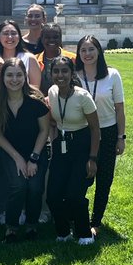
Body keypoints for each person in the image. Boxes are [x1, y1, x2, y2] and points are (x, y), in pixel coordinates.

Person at [0, 58, 50, 242]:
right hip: (11, 152)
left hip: (37, 150)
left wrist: (33, 158)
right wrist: (17, 158)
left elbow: (44, 131)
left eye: (18, 75)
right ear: (2, 77)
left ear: (25, 77)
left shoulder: (36, 100)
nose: (14, 79)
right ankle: (11, 228)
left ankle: (31, 225)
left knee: (35, 187)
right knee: (18, 185)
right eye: (9, 75)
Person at [75, 35, 126, 236]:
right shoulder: (75, 76)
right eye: (83, 50)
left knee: (104, 178)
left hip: (108, 130)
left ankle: (96, 221)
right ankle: (78, 216)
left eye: (91, 49)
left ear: (99, 51)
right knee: (81, 177)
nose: (87, 54)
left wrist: (121, 137)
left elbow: (120, 109)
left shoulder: (112, 75)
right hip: (83, 131)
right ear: (79, 54)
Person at [47, 56, 100, 246]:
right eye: (56, 71)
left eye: (64, 71)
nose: (60, 75)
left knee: (74, 195)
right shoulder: (52, 92)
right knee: (53, 194)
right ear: (51, 73)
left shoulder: (82, 97)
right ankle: (63, 232)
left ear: (71, 74)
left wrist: (92, 158)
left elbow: (95, 128)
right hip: (61, 146)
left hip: (81, 146)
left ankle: (85, 233)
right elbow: (55, 118)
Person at [0, 19, 41, 89]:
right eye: (5, 33)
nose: (10, 37)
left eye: (13, 33)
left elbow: (35, 89)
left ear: (19, 37)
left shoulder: (29, 59)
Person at [36, 23, 76, 94]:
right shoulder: (34, 60)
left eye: (55, 37)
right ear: (42, 39)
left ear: (60, 39)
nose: (51, 40)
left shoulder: (73, 58)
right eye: (47, 37)